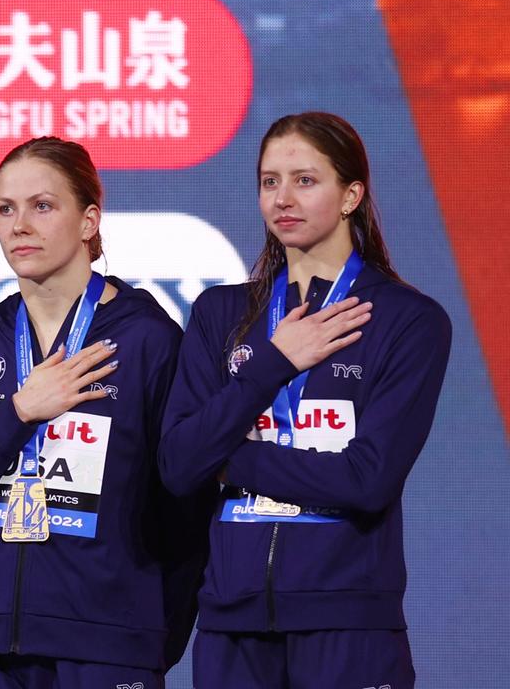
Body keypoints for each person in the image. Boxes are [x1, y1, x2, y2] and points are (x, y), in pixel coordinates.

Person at [0, 136, 210, 688]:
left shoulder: (148, 341)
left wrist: (147, 642)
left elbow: (185, 516)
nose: (19, 225)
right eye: (5, 208)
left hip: (108, 648)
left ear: (89, 220)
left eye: (42, 206)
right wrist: (17, 413)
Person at [159, 112, 452, 688]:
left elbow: (366, 480)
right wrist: (274, 363)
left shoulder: (406, 319)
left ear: (351, 195)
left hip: (349, 621)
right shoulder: (221, 314)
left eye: (305, 180)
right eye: (269, 181)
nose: (282, 199)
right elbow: (175, 464)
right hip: (231, 626)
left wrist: (224, 459)